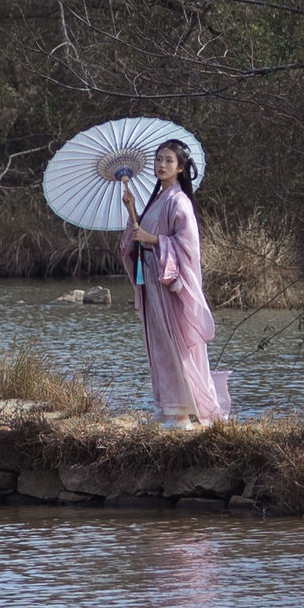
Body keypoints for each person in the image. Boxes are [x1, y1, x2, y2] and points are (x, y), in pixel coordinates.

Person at [118, 141, 232, 424]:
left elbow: (188, 245)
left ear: (180, 168)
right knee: (158, 344)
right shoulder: (157, 200)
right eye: (158, 160)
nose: (161, 165)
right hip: (152, 283)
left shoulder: (179, 201)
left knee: (175, 344)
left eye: (168, 161)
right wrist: (133, 210)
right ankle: (167, 407)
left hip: (169, 284)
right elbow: (137, 236)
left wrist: (153, 239)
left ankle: (182, 412)